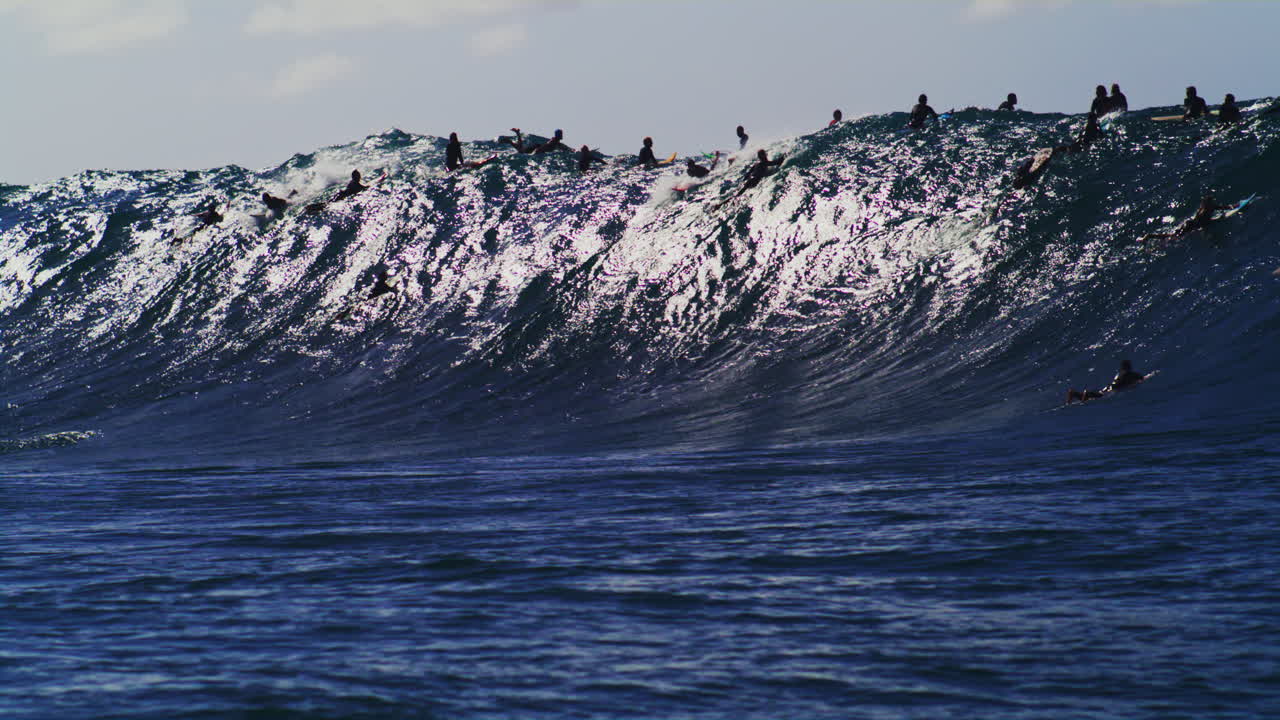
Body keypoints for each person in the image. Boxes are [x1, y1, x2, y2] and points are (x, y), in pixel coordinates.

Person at [1140, 193, 1234, 242]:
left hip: (1190, 223)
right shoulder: (1207, 209)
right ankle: (1149, 236)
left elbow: (1223, 207)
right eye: (1212, 201)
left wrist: (1233, 206)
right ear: (1208, 203)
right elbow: (1201, 222)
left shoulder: (1205, 207)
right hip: (1191, 225)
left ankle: (1150, 237)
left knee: (1173, 235)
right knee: (1173, 236)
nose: (1213, 202)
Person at [1066, 360, 1147, 404]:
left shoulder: (1120, 374)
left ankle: (1074, 393)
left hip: (1109, 387)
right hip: (1113, 389)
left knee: (1097, 395)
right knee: (1098, 396)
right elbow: (1141, 378)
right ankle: (1085, 394)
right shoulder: (1129, 374)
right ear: (1128, 367)